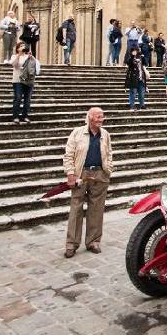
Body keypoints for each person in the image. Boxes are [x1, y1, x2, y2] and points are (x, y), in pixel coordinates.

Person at [63, 107, 113, 258]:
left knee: (97, 209)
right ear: (90, 118)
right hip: (81, 173)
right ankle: (71, 244)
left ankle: (93, 241)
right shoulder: (77, 132)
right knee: (76, 208)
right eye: (98, 117)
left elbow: (109, 152)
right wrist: (70, 173)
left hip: (99, 173)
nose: (101, 119)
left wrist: (108, 168)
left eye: (102, 117)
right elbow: (69, 154)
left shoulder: (105, 134)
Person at [5, 42, 38, 124]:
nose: (23, 47)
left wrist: (31, 57)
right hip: (18, 80)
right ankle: (15, 116)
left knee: (27, 99)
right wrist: (19, 54)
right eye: (21, 46)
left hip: (28, 80)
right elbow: (13, 64)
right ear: (17, 48)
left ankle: (25, 116)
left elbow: (35, 67)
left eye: (24, 46)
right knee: (18, 98)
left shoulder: (29, 57)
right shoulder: (14, 56)